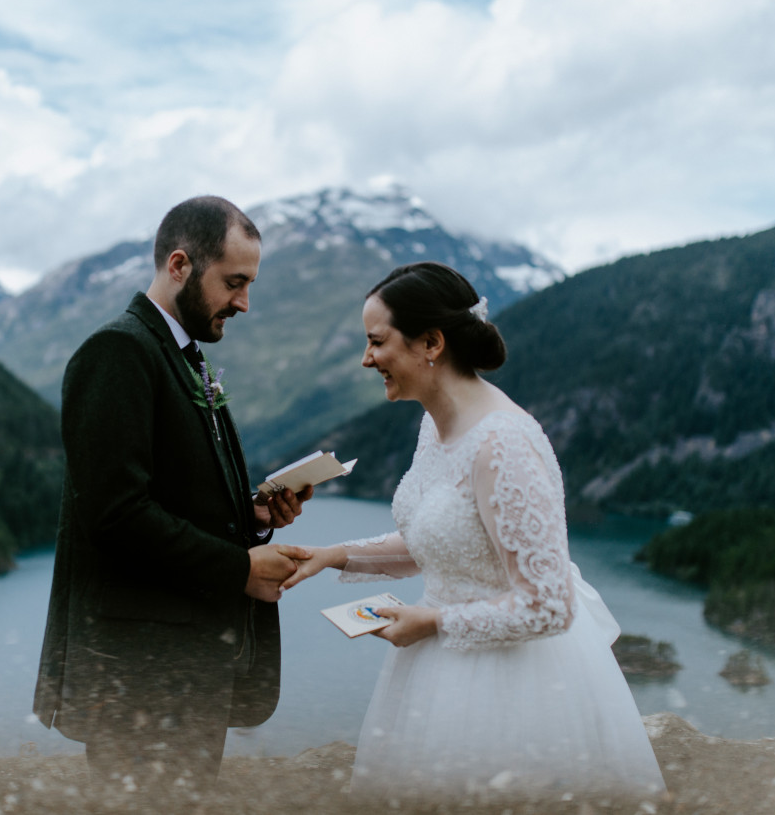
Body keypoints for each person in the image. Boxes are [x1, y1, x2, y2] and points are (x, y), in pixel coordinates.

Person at [282, 262, 664, 801]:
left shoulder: (504, 444)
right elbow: (439, 545)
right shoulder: (433, 427)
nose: (367, 359)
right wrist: (333, 554)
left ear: (431, 342)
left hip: (516, 687)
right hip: (438, 672)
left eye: (376, 342)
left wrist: (434, 622)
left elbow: (550, 606)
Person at [33, 196, 313, 794]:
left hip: (183, 673)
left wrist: (253, 515)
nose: (244, 303)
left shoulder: (183, 358)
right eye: (234, 283)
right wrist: (238, 566)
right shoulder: (118, 352)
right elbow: (116, 515)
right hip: (139, 676)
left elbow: (175, 494)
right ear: (180, 265)